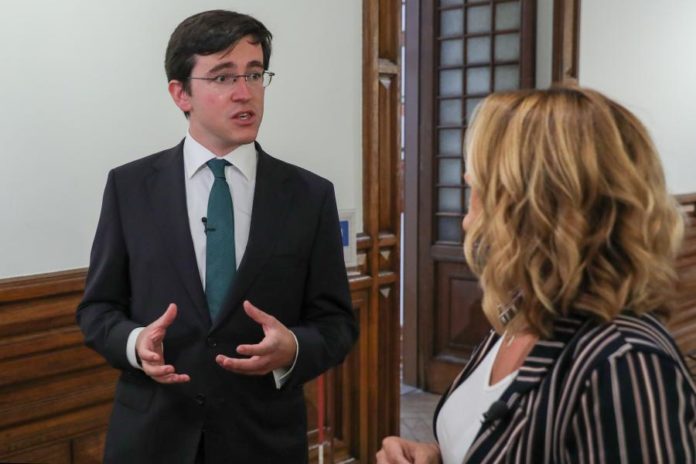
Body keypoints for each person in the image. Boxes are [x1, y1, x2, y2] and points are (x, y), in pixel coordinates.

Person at [76, 10, 358, 464]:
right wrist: (136, 343)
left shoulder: (309, 195)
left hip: (262, 441)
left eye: (254, 74)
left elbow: (337, 323)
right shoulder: (130, 188)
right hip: (153, 438)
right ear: (180, 94)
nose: (245, 92)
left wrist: (292, 348)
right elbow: (97, 309)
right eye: (224, 77)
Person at [378, 86, 696, 463]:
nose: (466, 220)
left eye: (478, 193)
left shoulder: (625, 366)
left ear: (535, 211)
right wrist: (439, 456)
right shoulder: (520, 313)